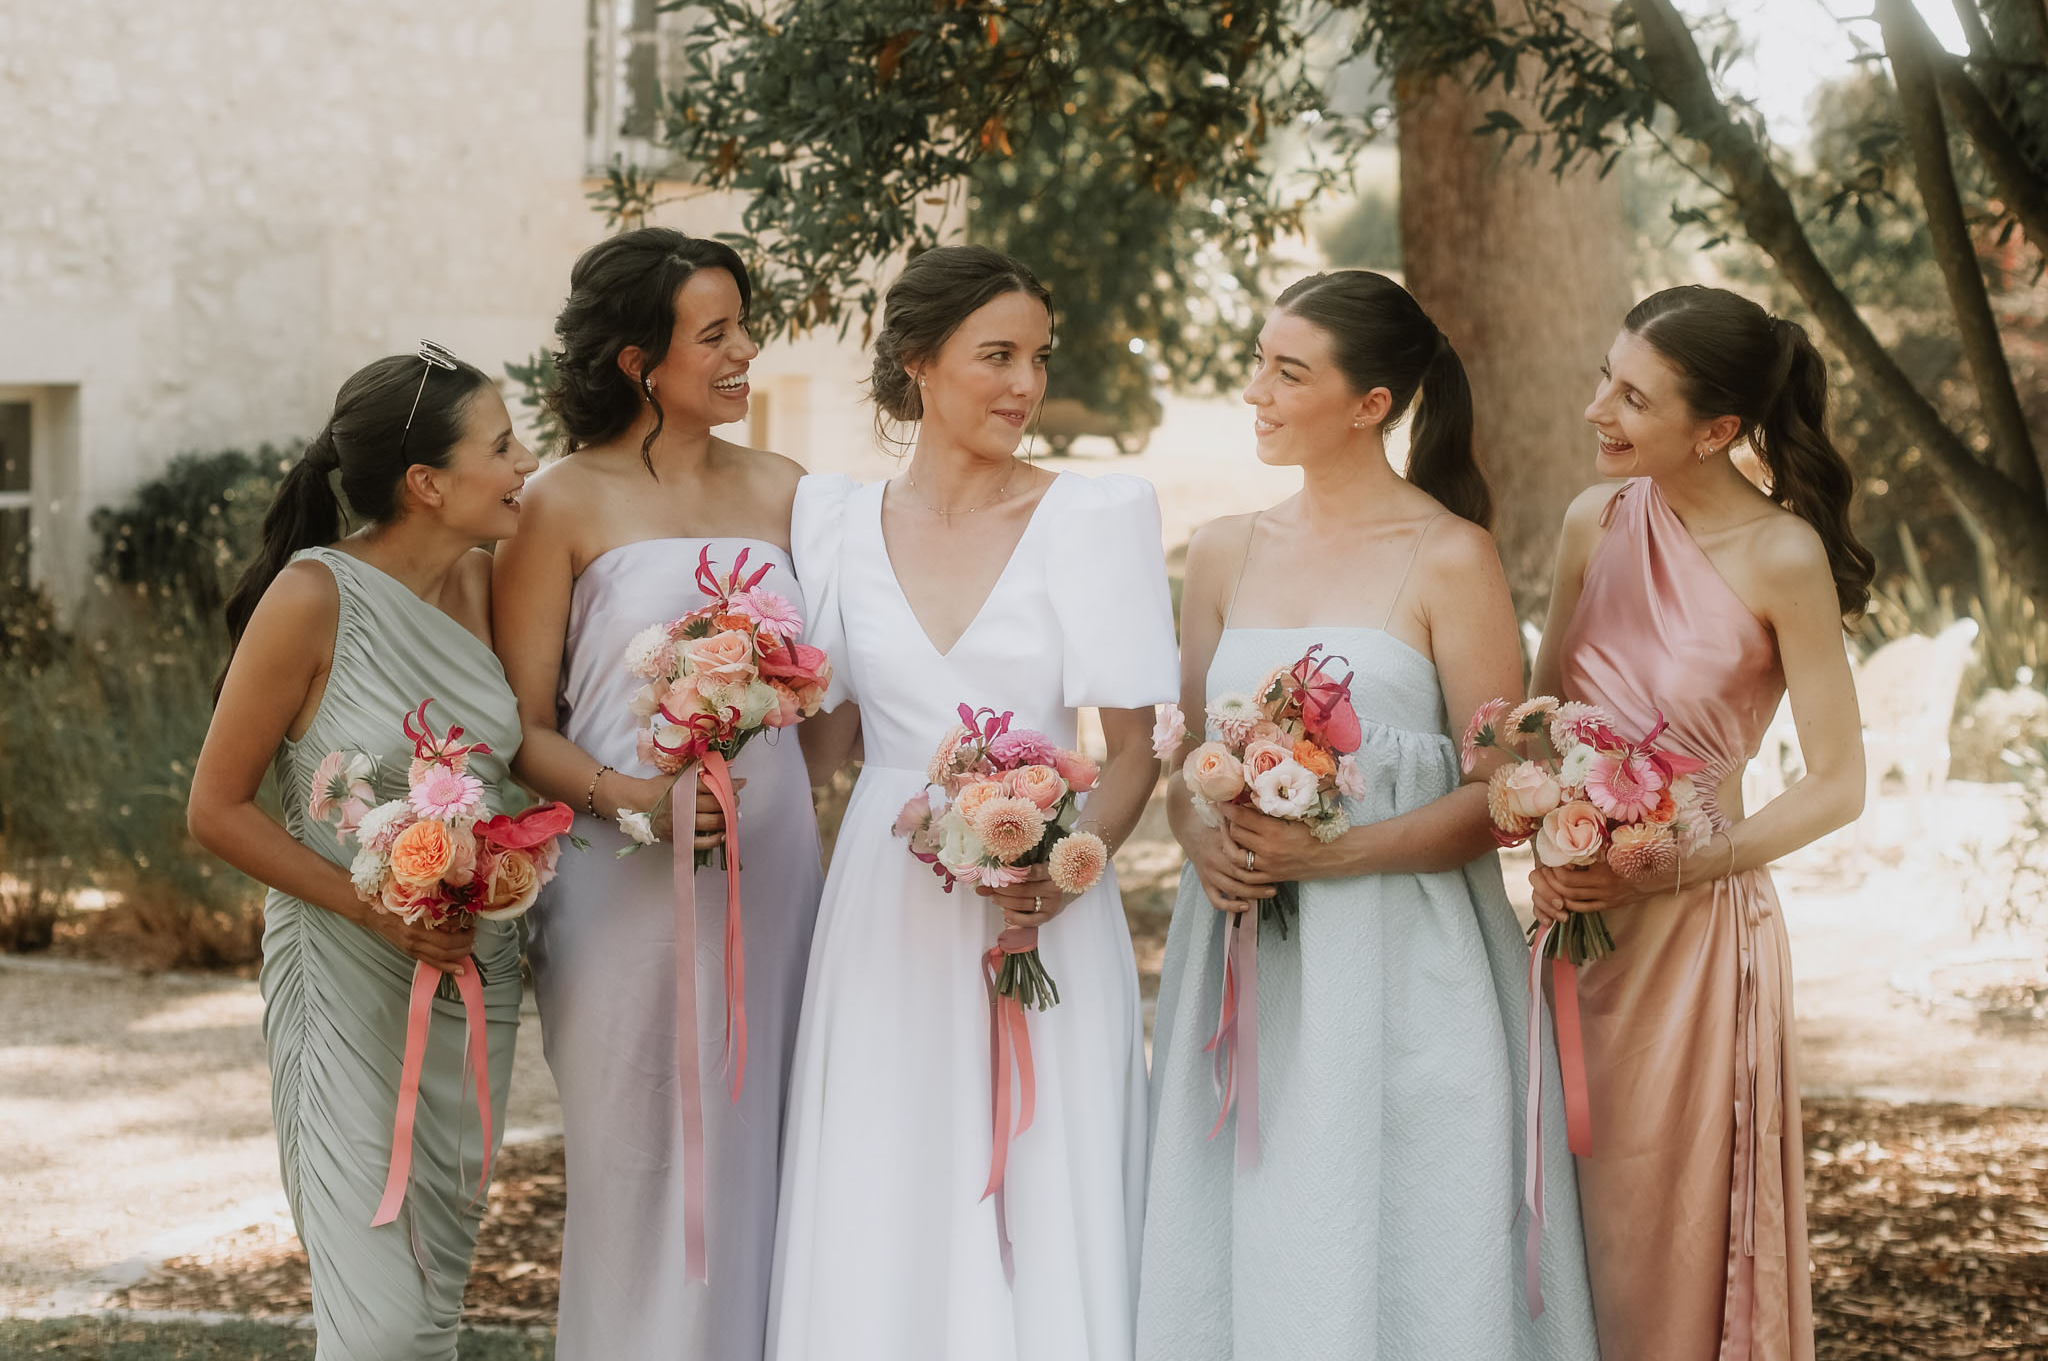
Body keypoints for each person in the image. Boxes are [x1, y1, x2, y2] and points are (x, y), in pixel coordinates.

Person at [1137, 270, 1600, 1359]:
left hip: (1405, 963)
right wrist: (1200, 836)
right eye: (1258, 360)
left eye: (1286, 371)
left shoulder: (1448, 553)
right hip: (1247, 958)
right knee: (1261, 1212)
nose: (1255, 389)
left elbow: (1497, 796)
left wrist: (1329, 854)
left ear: (1370, 405)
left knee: (1414, 1223)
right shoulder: (1219, 549)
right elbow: (1185, 760)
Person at [767, 245, 1179, 1360]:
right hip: (883, 905)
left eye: (1037, 357)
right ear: (918, 363)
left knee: (1044, 1172)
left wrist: (1065, 863)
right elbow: (828, 738)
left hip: (1044, 903)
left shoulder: (1094, 515)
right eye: (994, 355)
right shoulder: (832, 520)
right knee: (884, 1155)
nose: (1024, 385)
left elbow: (1138, 748)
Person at [490, 227, 824, 1359]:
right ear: (640, 360)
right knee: (635, 1159)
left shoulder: (788, 490)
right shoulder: (555, 502)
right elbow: (521, 727)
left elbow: (831, 699)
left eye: (745, 327)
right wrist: (633, 796)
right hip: (617, 882)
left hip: (774, 877)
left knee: (767, 1143)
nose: (744, 354)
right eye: (714, 333)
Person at [1528, 284, 1873, 1360]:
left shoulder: (1782, 555)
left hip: (1692, 938)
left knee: (1664, 1225)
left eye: (1633, 396)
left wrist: (1677, 859)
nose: (1599, 410)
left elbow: (1838, 781)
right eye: (1605, 377)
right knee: (1549, 1203)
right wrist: (1531, 797)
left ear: (1716, 429)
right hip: (1569, 917)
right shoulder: (1594, 519)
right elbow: (1537, 721)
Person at [188, 344, 539, 1359]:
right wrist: (371, 904)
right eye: (503, 444)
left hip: (473, 976)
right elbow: (217, 807)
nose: (525, 463)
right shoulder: (312, 596)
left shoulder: (481, 585)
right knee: (379, 1323)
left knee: (432, 1302)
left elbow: (513, 773)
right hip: (346, 975)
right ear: (426, 483)